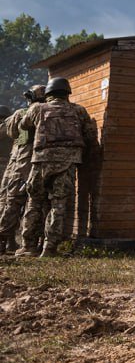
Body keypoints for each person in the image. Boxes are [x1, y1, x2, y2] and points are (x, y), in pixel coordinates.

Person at [17, 78, 98, 256]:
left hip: (41, 162)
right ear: (67, 93)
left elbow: (23, 125)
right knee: (58, 205)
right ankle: (49, 248)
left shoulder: (38, 108)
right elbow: (90, 135)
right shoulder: (78, 110)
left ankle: (28, 247)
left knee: (34, 202)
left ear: (48, 94)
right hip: (67, 162)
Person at [0, 86, 44, 254]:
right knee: (32, 203)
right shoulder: (43, 111)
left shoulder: (22, 113)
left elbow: (14, 134)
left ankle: (5, 240)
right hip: (36, 162)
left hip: (21, 163)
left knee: (12, 202)